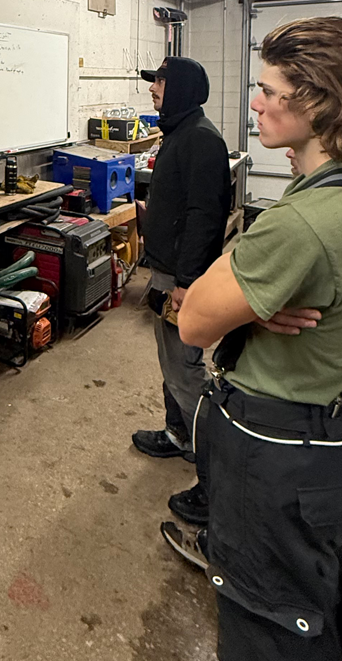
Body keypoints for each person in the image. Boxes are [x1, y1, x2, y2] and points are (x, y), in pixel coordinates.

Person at [170, 17, 342, 661]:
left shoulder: (298, 224)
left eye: (269, 89)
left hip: (276, 465)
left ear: (320, 103)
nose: (254, 102)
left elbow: (193, 319)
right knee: (315, 611)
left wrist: (247, 300)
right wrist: (259, 300)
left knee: (267, 630)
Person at [131, 57, 231, 524]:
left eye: (160, 83)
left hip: (182, 278)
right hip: (168, 270)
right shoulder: (180, 132)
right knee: (170, 363)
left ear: (183, 89)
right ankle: (178, 434)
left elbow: (205, 218)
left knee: (186, 370)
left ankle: (215, 482)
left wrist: (188, 283)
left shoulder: (201, 140)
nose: (153, 90)